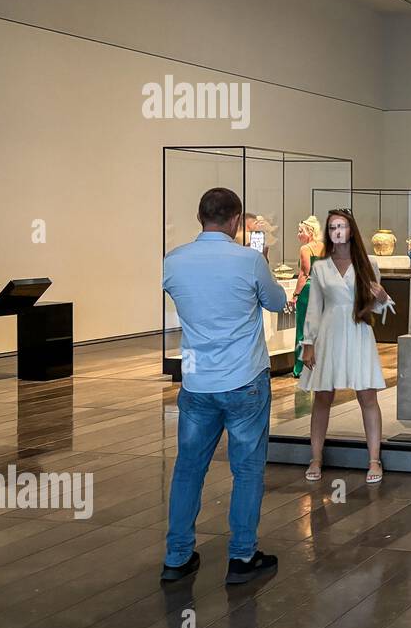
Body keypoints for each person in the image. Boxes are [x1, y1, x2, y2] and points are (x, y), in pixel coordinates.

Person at [160, 187, 287, 585]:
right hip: (243, 380)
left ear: (201, 217)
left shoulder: (174, 261)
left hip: (197, 382)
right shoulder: (248, 261)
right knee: (247, 470)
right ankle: (242, 556)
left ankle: (177, 557)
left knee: (187, 470)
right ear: (235, 221)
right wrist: (261, 262)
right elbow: (276, 301)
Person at [300, 209, 393, 484]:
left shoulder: (367, 263)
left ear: (351, 230)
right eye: (332, 228)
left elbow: (376, 306)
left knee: (367, 395)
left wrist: (383, 297)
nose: (337, 232)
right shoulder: (320, 266)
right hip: (329, 333)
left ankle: (374, 459)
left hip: (357, 331)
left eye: (341, 226)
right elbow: (314, 308)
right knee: (322, 396)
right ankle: (315, 457)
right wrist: (308, 343)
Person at [290, 215, 324, 378]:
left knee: (303, 327)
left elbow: (304, 273)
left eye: (300, 231)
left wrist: (295, 294)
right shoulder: (324, 247)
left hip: (309, 290)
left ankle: (300, 367)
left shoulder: (305, 249)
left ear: (309, 232)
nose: (298, 235)